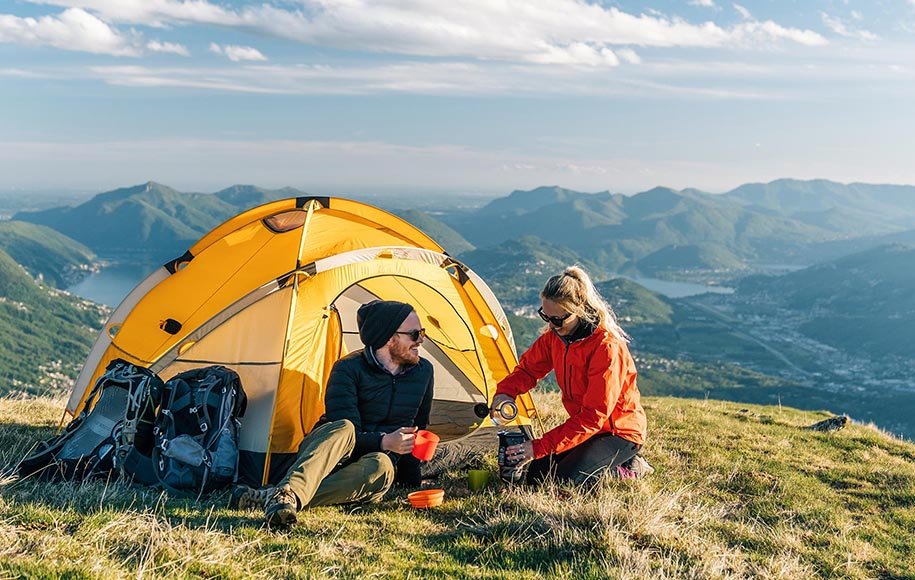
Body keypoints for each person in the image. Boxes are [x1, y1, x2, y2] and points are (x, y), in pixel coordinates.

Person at [233, 299, 434, 528]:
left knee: (383, 465)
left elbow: (418, 429)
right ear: (389, 338)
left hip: (363, 469)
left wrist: (412, 482)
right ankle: (289, 492)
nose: (420, 340)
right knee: (344, 427)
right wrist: (385, 440)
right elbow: (347, 434)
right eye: (415, 334)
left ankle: (280, 498)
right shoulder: (348, 369)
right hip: (328, 454)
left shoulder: (423, 372)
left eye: (422, 333)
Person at [492, 266, 647, 486]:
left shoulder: (606, 348)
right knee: (537, 475)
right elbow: (528, 370)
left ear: (579, 310)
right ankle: (598, 462)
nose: (551, 325)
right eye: (546, 316)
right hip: (586, 429)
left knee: (565, 482)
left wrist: (537, 447)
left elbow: (594, 416)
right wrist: (505, 392)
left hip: (618, 432)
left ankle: (628, 467)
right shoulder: (555, 337)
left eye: (557, 320)